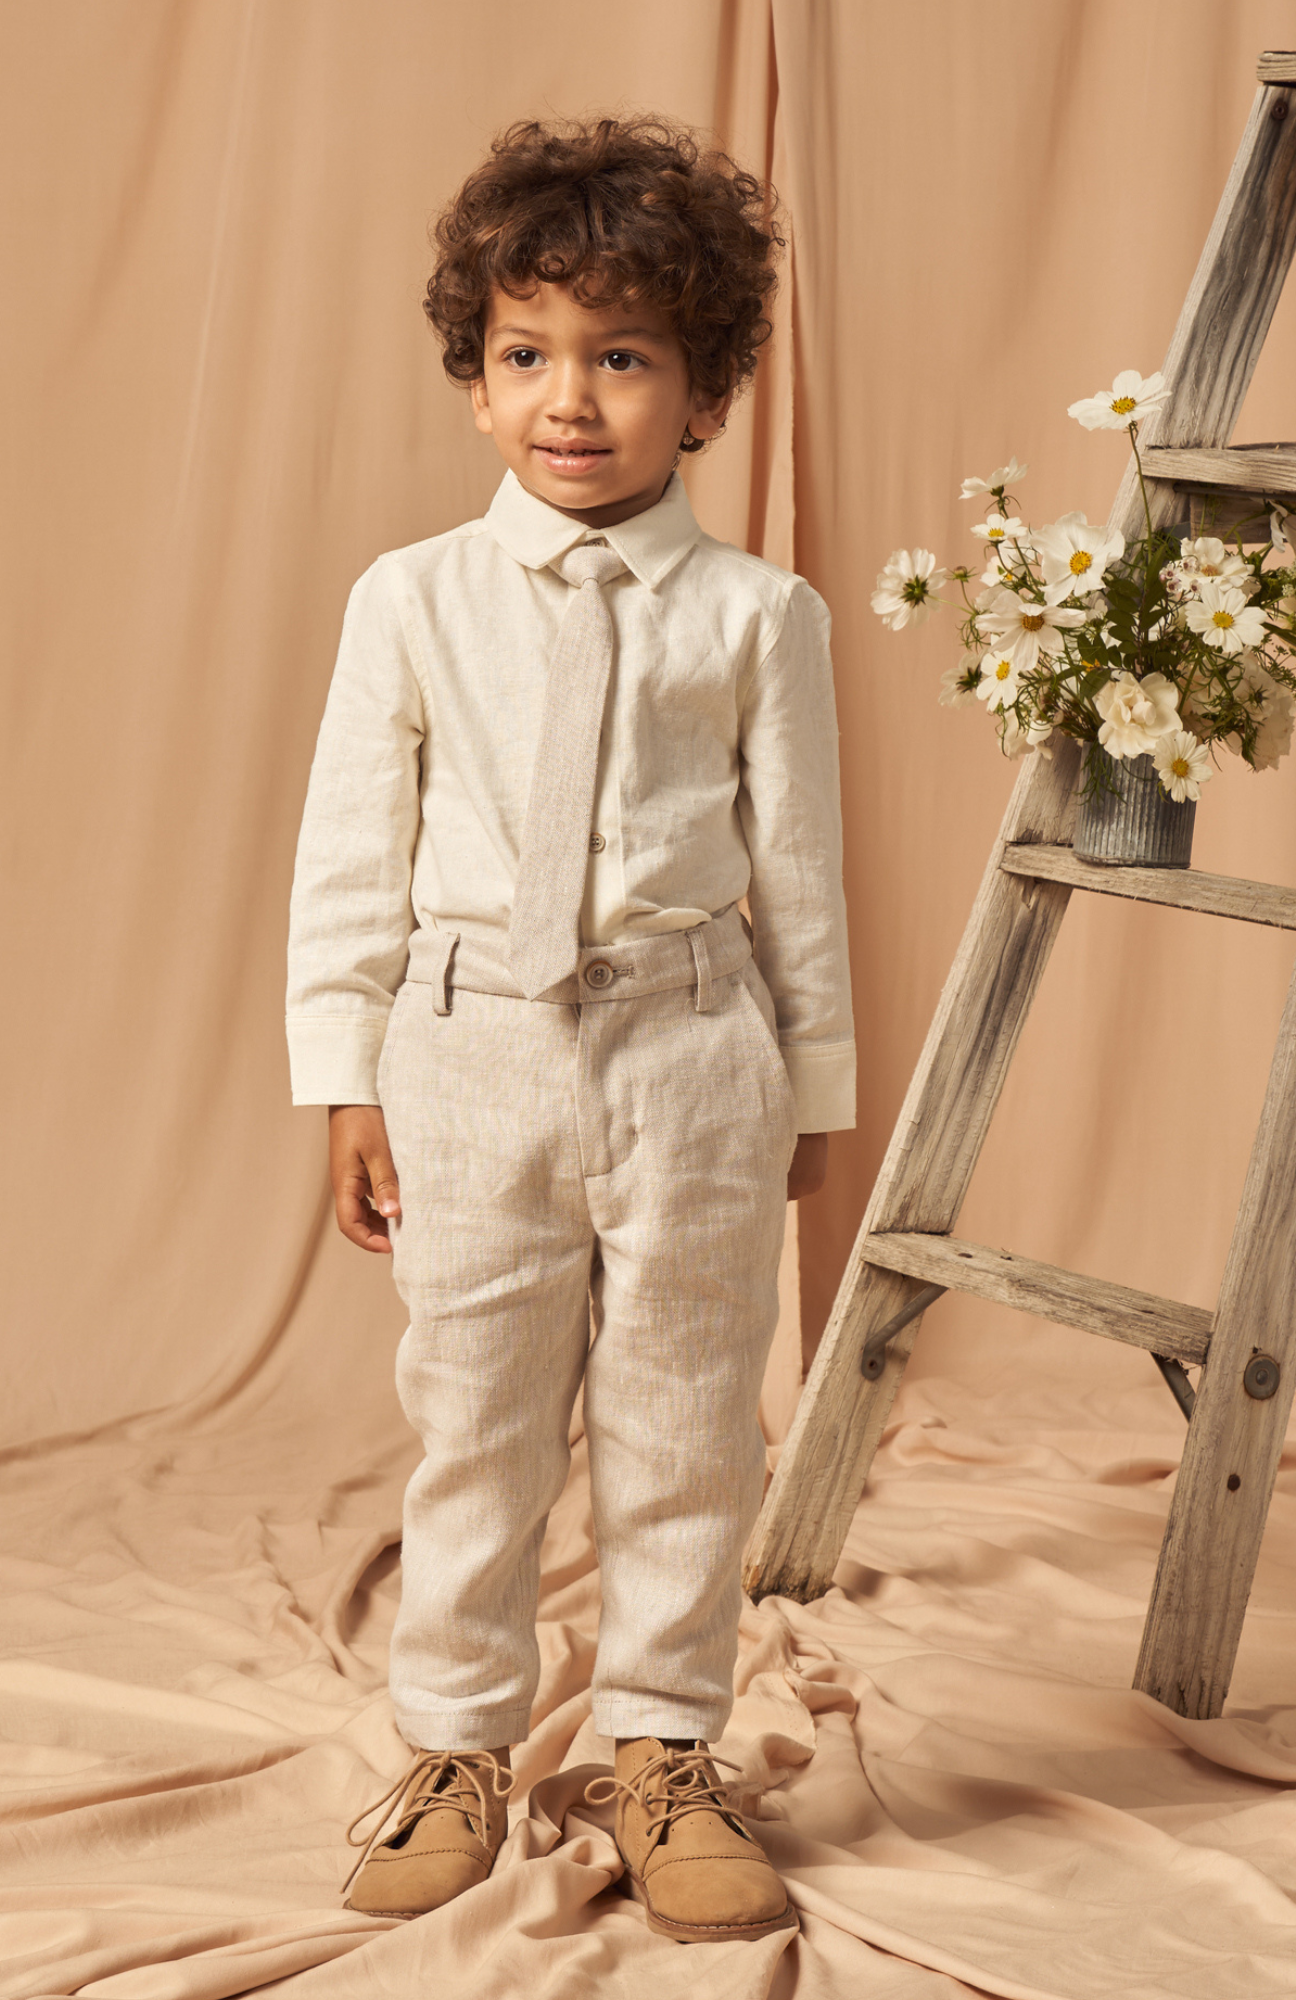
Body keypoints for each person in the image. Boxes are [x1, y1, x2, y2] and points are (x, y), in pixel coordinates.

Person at [286, 114, 854, 1945]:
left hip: (695, 1046)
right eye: (528, 354)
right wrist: (343, 1077)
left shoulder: (761, 618)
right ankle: (452, 1741)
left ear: (702, 393)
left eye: (623, 357)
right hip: (468, 1048)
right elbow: (349, 857)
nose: (572, 399)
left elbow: (806, 877)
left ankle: (661, 1742)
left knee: (690, 1419)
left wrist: (813, 1100)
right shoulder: (413, 600)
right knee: (474, 1413)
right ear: (474, 378)